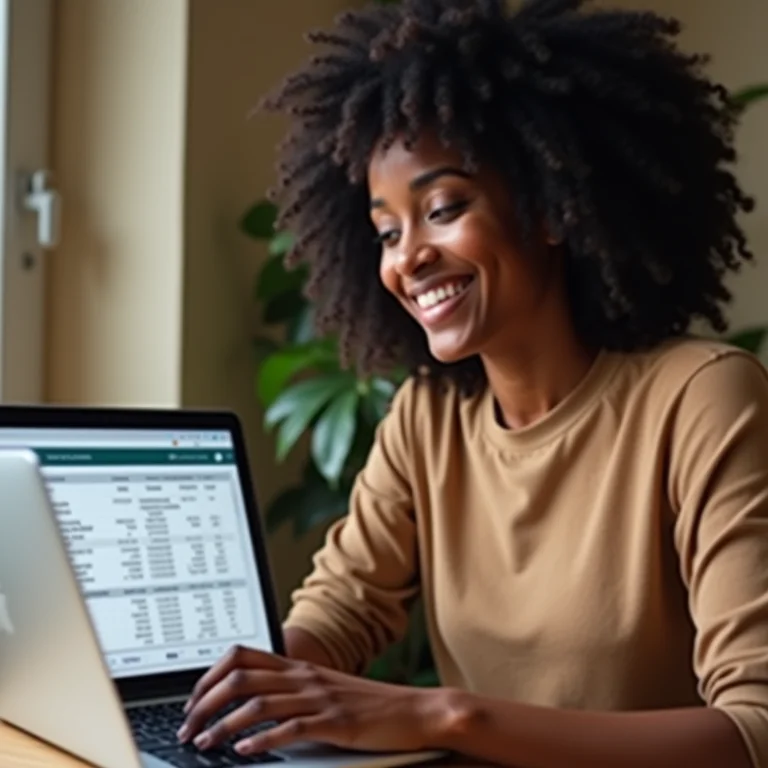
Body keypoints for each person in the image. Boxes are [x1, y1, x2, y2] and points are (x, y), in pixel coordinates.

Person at [178, 0, 768, 765]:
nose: (408, 258)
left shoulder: (702, 398)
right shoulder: (427, 417)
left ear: (552, 208)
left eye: (444, 208)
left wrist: (449, 718)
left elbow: (752, 728)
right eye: (387, 230)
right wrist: (246, 690)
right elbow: (342, 609)